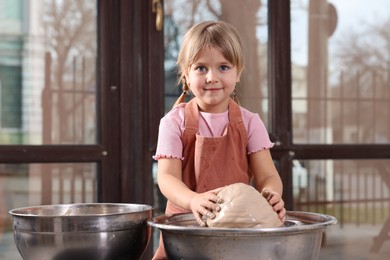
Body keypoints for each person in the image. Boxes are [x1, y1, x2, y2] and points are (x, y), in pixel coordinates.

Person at [152, 20, 286, 259]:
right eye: (201, 68)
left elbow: (267, 176)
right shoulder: (173, 122)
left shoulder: (250, 122)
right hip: (185, 230)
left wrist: (272, 195)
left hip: (237, 234)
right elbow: (167, 178)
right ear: (186, 73)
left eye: (223, 67)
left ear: (238, 73)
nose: (212, 77)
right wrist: (193, 200)